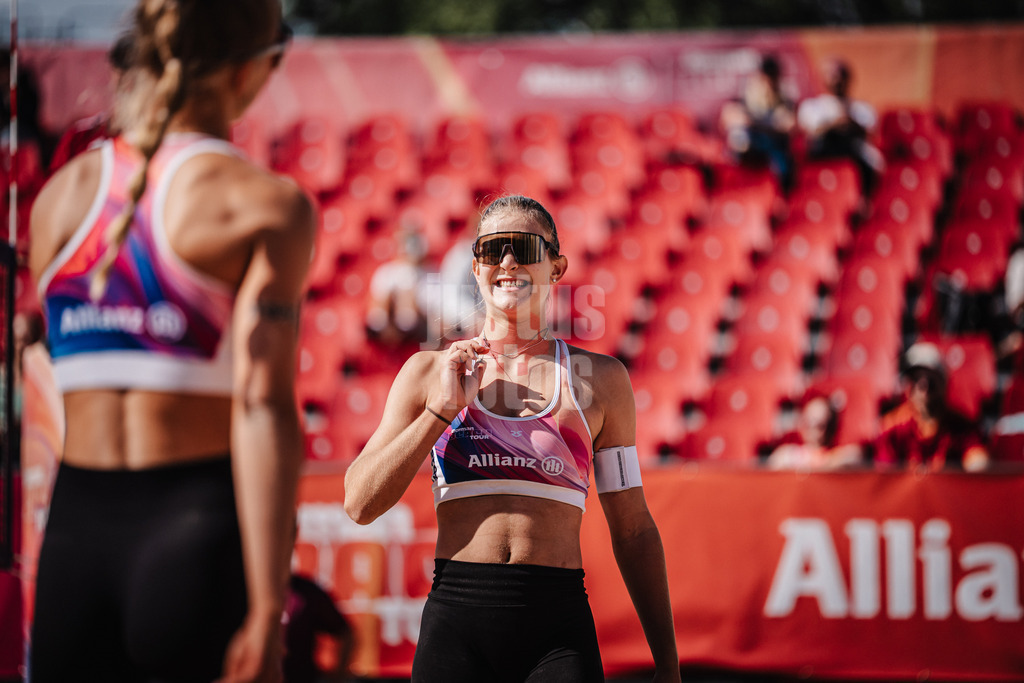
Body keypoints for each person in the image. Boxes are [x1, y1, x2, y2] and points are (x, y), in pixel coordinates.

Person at [28, 1, 314, 681]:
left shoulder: (57, 199)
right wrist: (268, 606)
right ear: (251, 71)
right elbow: (263, 407)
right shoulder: (264, 203)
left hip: (71, 544)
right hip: (196, 534)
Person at [344, 194, 681, 683]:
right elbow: (359, 503)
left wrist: (668, 664)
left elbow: (633, 529)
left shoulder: (601, 381)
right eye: (492, 248)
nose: (507, 261)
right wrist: (440, 412)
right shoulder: (427, 373)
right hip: (456, 624)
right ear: (476, 267)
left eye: (524, 248)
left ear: (556, 267)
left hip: (557, 631)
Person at [874, 342, 990, 472]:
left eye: (931, 379)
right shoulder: (892, 429)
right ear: (908, 387)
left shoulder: (962, 428)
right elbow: (884, 479)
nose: (924, 386)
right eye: (916, 379)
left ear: (944, 385)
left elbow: (978, 465)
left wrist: (974, 465)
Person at [47, 32, 135, 175]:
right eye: (123, 70)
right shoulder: (80, 138)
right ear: (114, 73)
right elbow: (53, 190)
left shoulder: (164, 145)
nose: (128, 80)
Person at [797, 58, 884, 199]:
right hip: (822, 153)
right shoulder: (812, 106)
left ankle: (864, 200)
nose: (837, 81)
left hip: (854, 154)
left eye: (841, 75)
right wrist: (835, 123)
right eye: (832, 75)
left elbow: (871, 133)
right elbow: (811, 130)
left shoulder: (861, 108)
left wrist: (851, 123)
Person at [719, 53, 797, 192]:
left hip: (774, 155)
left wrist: (754, 122)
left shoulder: (784, 101)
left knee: (783, 165)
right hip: (749, 153)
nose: (766, 84)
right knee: (737, 136)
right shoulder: (745, 99)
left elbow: (787, 125)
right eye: (763, 78)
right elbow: (728, 117)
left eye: (770, 79)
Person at [282, 573, 355, 683]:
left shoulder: (306, 591)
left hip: (300, 676)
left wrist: (338, 674)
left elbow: (345, 632)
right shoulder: (250, 588)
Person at [766, 394, 863, 470]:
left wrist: (823, 461)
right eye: (808, 420)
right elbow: (773, 466)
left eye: (819, 424)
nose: (811, 426)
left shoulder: (836, 455)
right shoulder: (788, 453)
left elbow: (855, 456)